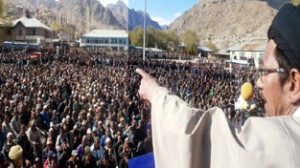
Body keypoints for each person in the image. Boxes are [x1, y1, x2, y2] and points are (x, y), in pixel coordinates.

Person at [135, 3, 300, 168]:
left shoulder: (286, 143)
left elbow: (200, 143)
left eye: (264, 72)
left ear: (294, 83)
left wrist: (156, 94)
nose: (257, 82)